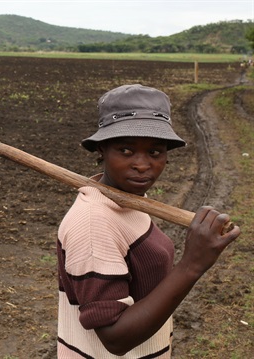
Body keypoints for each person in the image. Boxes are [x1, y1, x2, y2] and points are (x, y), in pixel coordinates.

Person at [56, 84, 241, 358]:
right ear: (101, 150)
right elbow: (115, 338)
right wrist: (192, 264)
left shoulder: (127, 199)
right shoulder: (94, 222)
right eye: (126, 150)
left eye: (154, 152)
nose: (142, 164)